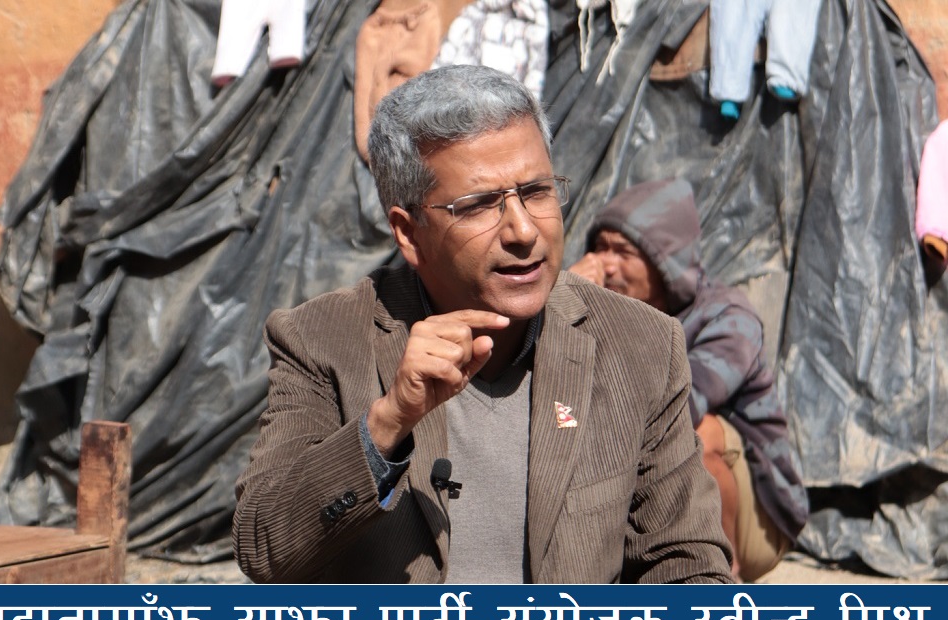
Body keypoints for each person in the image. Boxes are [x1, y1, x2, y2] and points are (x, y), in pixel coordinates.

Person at [233, 65, 734, 584]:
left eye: (536, 192)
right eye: (478, 206)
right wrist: (386, 424)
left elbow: (687, 565)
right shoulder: (322, 340)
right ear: (409, 233)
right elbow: (264, 548)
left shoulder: (639, 344)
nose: (523, 231)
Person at [569, 178, 808, 581]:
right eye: (599, 248)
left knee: (696, 431)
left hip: (756, 514)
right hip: (649, 493)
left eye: (623, 252)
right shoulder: (609, 311)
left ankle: (718, 577)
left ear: (666, 259)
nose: (604, 265)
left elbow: (683, 406)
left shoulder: (728, 318)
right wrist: (569, 300)